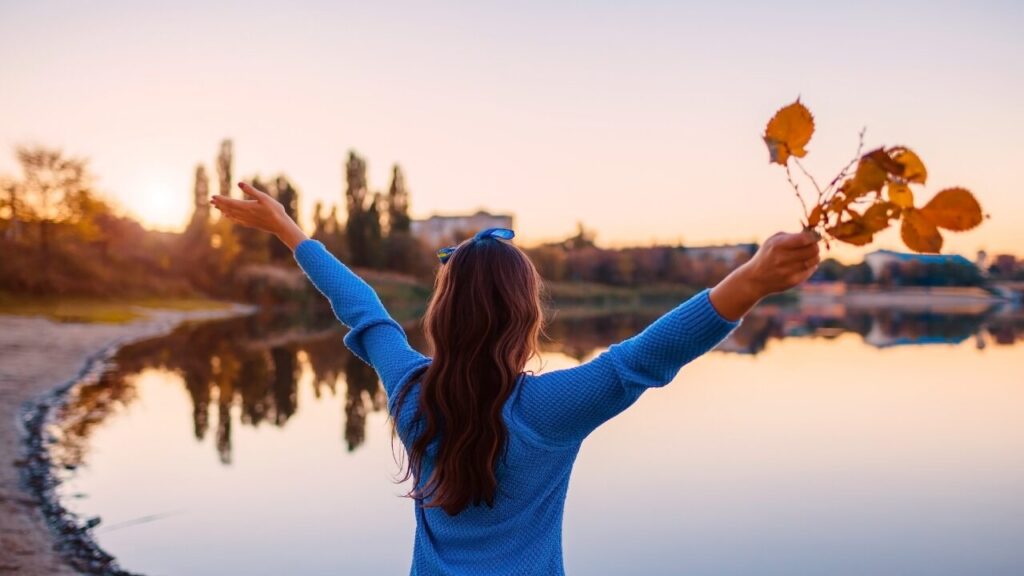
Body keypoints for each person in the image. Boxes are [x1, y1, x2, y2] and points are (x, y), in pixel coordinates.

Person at [212, 182, 820, 575]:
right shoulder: (551, 407)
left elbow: (365, 312)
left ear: (441, 314)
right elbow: (644, 357)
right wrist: (753, 280)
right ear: (527, 319)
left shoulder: (409, 390)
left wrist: (291, 232)